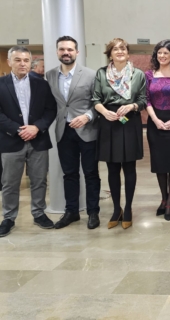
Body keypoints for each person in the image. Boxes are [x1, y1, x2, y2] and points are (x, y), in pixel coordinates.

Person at [0, 46, 57, 237]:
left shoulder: (41, 83)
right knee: (9, 182)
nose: (22, 64)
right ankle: (8, 217)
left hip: (37, 140)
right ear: (10, 62)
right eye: (18, 60)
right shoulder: (1, 84)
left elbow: (51, 109)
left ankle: (39, 213)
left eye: (26, 60)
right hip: (10, 142)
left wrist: (37, 127)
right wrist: (17, 130)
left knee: (39, 180)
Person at [46, 36, 101, 230]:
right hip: (63, 132)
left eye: (70, 49)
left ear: (77, 52)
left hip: (87, 131)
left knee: (91, 173)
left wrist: (87, 116)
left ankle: (93, 212)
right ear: (57, 52)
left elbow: (99, 103)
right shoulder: (50, 75)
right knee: (69, 174)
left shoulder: (91, 75)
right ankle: (72, 212)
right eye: (62, 49)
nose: (66, 53)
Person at [92, 38, 146, 230]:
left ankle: (129, 208)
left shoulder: (138, 74)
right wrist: (104, 111)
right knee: (113, 168)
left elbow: (143, 100)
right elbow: (95, 98)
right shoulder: (101, 73)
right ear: (110, 54)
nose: (120, 51)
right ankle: (117, 209)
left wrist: (131, 105)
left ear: (128, 53)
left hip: (129, 120)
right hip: (109, 121)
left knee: (129, 168)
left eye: (123, 48)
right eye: (115, 49)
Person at [146, 39, 170, 221]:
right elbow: (145, 99)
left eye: (166, 53)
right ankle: (163, 198)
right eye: (159, 53)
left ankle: (169, 203)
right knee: (160, 164)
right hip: (155, 123)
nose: (162, 56)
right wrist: (155, 120)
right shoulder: (149, 75)